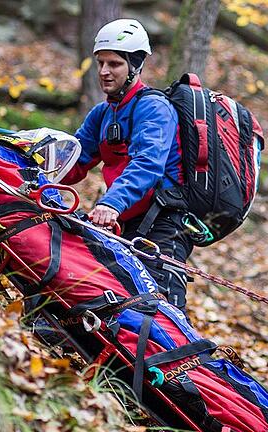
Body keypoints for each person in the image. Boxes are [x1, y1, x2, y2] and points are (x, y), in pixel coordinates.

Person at [61, 19, 193, 311]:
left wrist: (111, 204)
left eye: (115, 64)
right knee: (106, 299)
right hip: (124, 223)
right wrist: (31, 173)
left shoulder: (155, 108)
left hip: (164, 225)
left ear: (135, 66)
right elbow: (74, 160)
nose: (104, 72)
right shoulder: (102, 114)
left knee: (162, 311)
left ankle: (187, 359)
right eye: (100, 63)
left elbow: (147, 164)